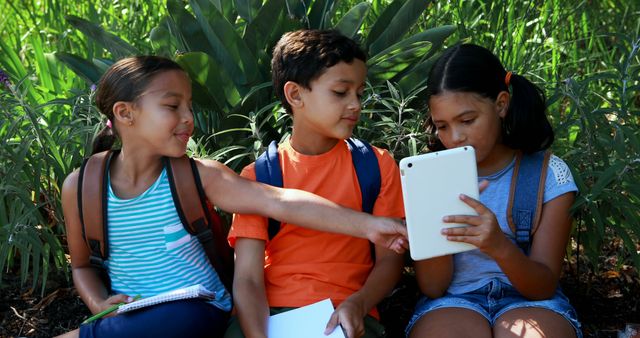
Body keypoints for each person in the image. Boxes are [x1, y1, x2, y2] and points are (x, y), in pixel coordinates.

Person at [56, 56, 408, 338]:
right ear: (124, 113)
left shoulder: (198, 175)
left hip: (198, 315)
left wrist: (370, 226)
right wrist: (99, 302)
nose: (188, 118)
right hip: (130, 323)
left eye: (189, 106)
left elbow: (279, 201)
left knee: (183, 317)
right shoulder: (83, 188)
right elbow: (82, 265)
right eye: (172, 106)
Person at [225, 29, 405, 338]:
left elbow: (390, 261)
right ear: (295, 95)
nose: (355, 105)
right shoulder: (260, 176)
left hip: (345, 314)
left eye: (359, 93)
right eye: (340, 92)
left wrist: (358, 304)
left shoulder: (375, 166)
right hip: (269, 318)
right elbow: (248, 280)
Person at [406, 43, 582, 338]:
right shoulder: (429, 177)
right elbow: (434, 287)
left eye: (467, 120)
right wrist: (434, 227)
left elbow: (543, 285)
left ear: (501, 104)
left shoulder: (547, 175)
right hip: (452, 301)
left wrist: (498, 245)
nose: (455, 137)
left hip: (531, 300)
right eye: (442, 126)